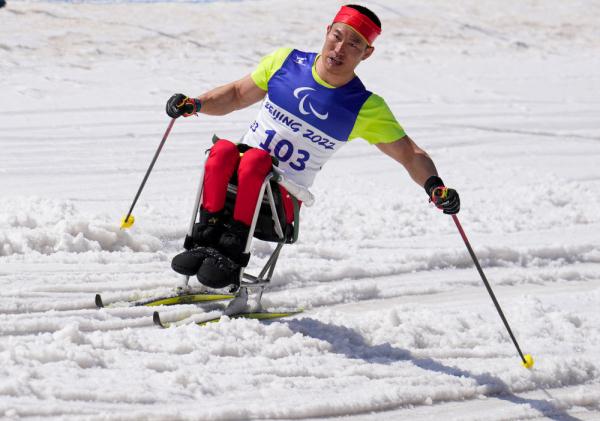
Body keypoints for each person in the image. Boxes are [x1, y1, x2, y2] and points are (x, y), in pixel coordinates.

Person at [167, 4, 460, 289]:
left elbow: (410, 154)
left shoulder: (364, 106)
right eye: (337, 36)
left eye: (354, 44)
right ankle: (204, 242)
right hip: (235, 180)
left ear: (367, 53)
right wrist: (195, 104)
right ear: (328, 30)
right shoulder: (285, 62)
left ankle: (232, 255)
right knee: (223, 151)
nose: (339, 49)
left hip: (280, 201)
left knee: (256, 160)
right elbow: (235, 95)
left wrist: (435, 187)